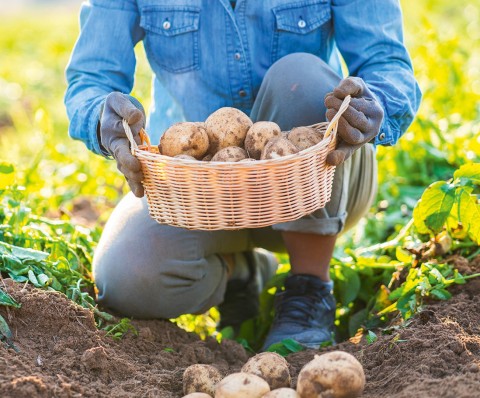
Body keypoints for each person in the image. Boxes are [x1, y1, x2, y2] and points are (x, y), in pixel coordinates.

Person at [65, 0, 421, 349]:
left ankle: (310, 286)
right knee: (126, 276)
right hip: (196, 195)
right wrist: (102, 118)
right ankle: (244, 272)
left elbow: (386, 62)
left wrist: (378, 104)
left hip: (319, 183)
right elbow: (91, 77)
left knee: (298, 77)